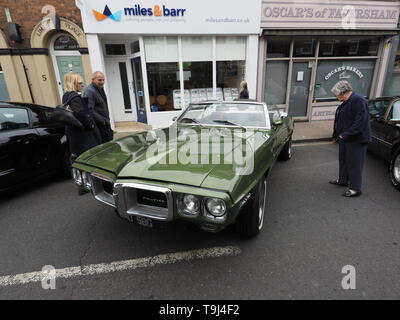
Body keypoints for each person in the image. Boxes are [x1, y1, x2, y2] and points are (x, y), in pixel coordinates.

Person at [330, 80, 371, 197]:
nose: (336, 97)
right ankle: (343, 180)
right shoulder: (346, 101)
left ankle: (355, 188)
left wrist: (347, 134)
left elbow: (361, 122)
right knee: (343, 160)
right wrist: (336, 134)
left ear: (344, 92)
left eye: (337, 95)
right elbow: (340, 119)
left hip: (356, 139)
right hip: (345, 138)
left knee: (355, 164)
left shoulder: (358, 100)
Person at [62, 72, 101, 160]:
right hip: (83, 137)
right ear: (73, 83)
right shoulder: (74, 97)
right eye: (79, 83)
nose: (82, 85)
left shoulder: (66, 95)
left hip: (74, 135)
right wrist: (91, 124)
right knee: (89, 160)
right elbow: (81, 114)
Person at [83, 71, 113, 143]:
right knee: (104, 147)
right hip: (99, 126)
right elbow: (89, 109)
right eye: (99, 80)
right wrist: (103, 121)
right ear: (93, 79)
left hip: (105, 124)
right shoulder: (89, 91)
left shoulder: (100, 88)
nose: (102, 82)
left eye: (103, 80)